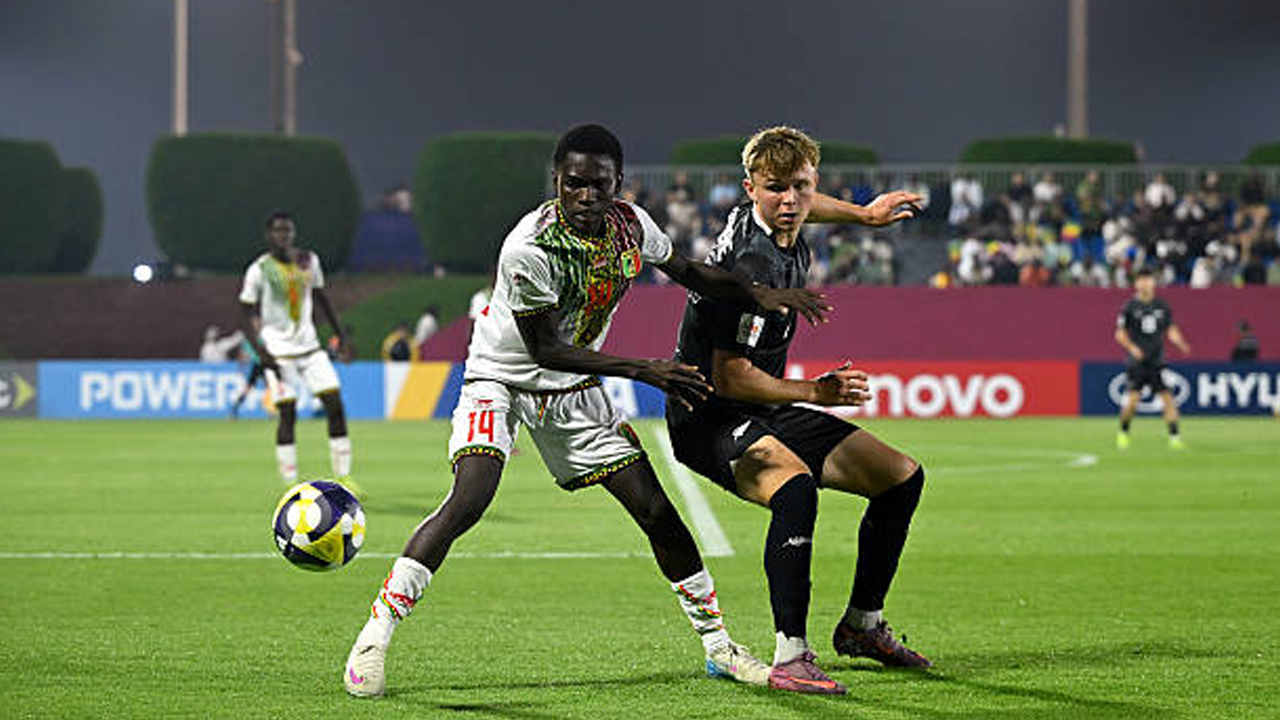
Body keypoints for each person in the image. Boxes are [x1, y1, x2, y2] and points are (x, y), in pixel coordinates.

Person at [342, 124, 921, 698]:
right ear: (557, 182)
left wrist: (761, 295)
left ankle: (718, 647)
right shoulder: (528, 249)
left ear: (620, 185)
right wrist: (644, 369)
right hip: (504, 380)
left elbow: (690, 272)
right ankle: (376, 633)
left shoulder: (630, 226)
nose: (587, 197)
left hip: (574, 389)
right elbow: (544, 350)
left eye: (600, 185)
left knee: (655, 509)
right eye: (575, 185)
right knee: (471, 496)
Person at [666, 127, 928, 696]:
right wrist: (816, 392)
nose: (791, 202)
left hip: (761, 401)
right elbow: (729, 374)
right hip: (708, 412)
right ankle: (791, 653)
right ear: (750, 189)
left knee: (900, 478)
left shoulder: (777, 215)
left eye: (800, 189)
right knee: (794, 489)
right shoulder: (750, 265)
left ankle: (862, 627)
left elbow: (810, 206)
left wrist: (864, 215)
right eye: (776, 190)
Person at [239, 210, 355, 488]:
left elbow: (321, 298)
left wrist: (341, 337)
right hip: (278, 353)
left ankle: (344, 478)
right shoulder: (259, 269)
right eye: (278, 230)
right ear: (268, 235)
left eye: (288, 230)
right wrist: (260, 351)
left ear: (294, 233)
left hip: (310, 348)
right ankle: (290, 484)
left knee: (335, 406)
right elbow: (244, 312)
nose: (283, 235)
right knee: (288, 413)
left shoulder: (308, 261)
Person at [1114, 267, 1192, 450]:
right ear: (1136, 283)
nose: (1145, 283)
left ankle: (1175, 437)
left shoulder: (1162, 306)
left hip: (1157, 360)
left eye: (1148, 279)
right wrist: (1133, 348)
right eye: (1141, 280)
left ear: (1153, 282)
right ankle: (1123, 433)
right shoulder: (1129, 307)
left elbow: (1170, 329)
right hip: (1138, 362)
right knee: (1132, 401)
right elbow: (1119, 334)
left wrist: (1180, 343)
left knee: (1167, 399)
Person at [230, 316, 267, 419]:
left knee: (272, 389)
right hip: (258, 365)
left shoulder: (265, 335)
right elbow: (243, 353)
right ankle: (235, 408)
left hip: (266, 364)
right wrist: (241, 365)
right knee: (248, 388)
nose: (256, 325)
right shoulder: (251, 338)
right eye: (254, 323)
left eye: (258, 323)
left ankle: (272, 411)